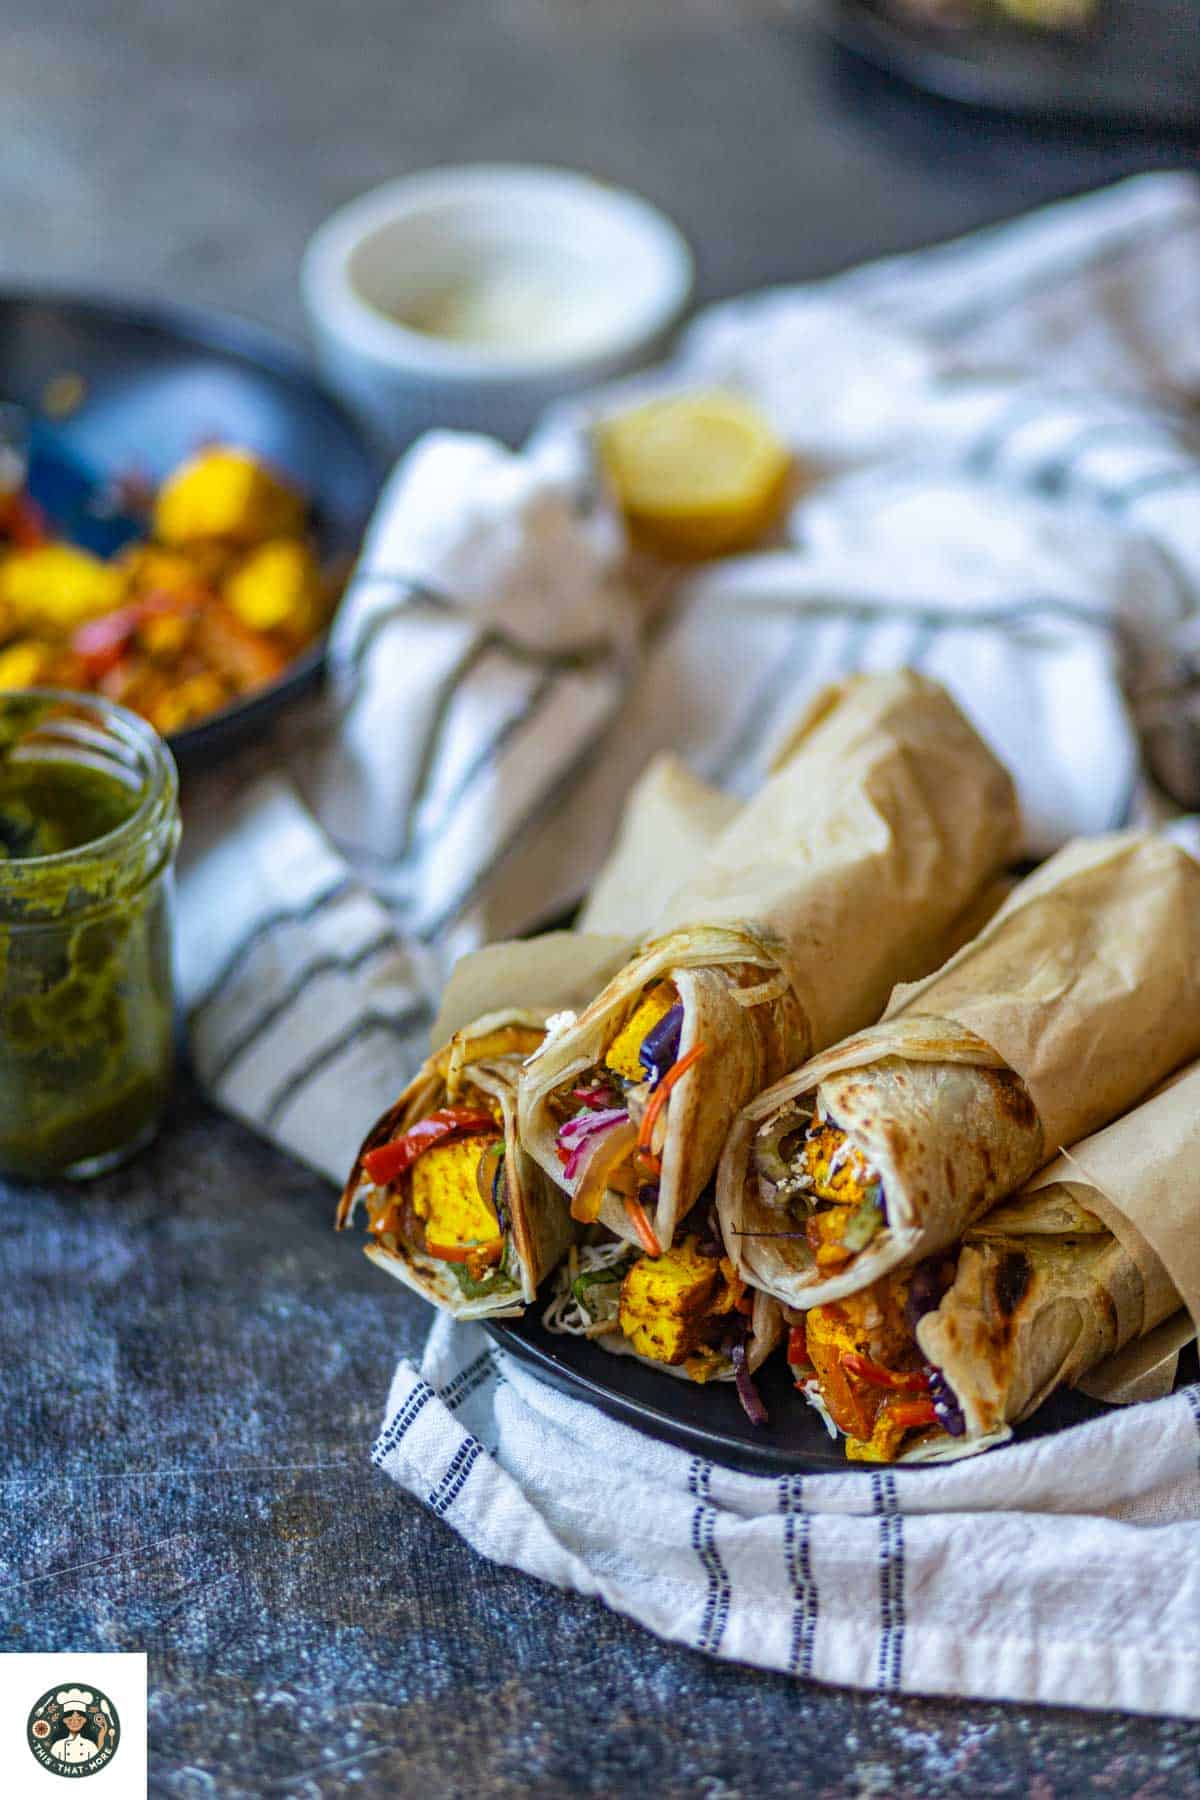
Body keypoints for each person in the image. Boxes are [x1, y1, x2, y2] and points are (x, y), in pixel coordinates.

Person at [50, 1689, 103, 1764]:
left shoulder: (90, 1745)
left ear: (85, 1721)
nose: (75, 1723)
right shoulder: (58, 1746)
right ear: (64, 1721)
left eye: (79, 1720)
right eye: (70, 1720)